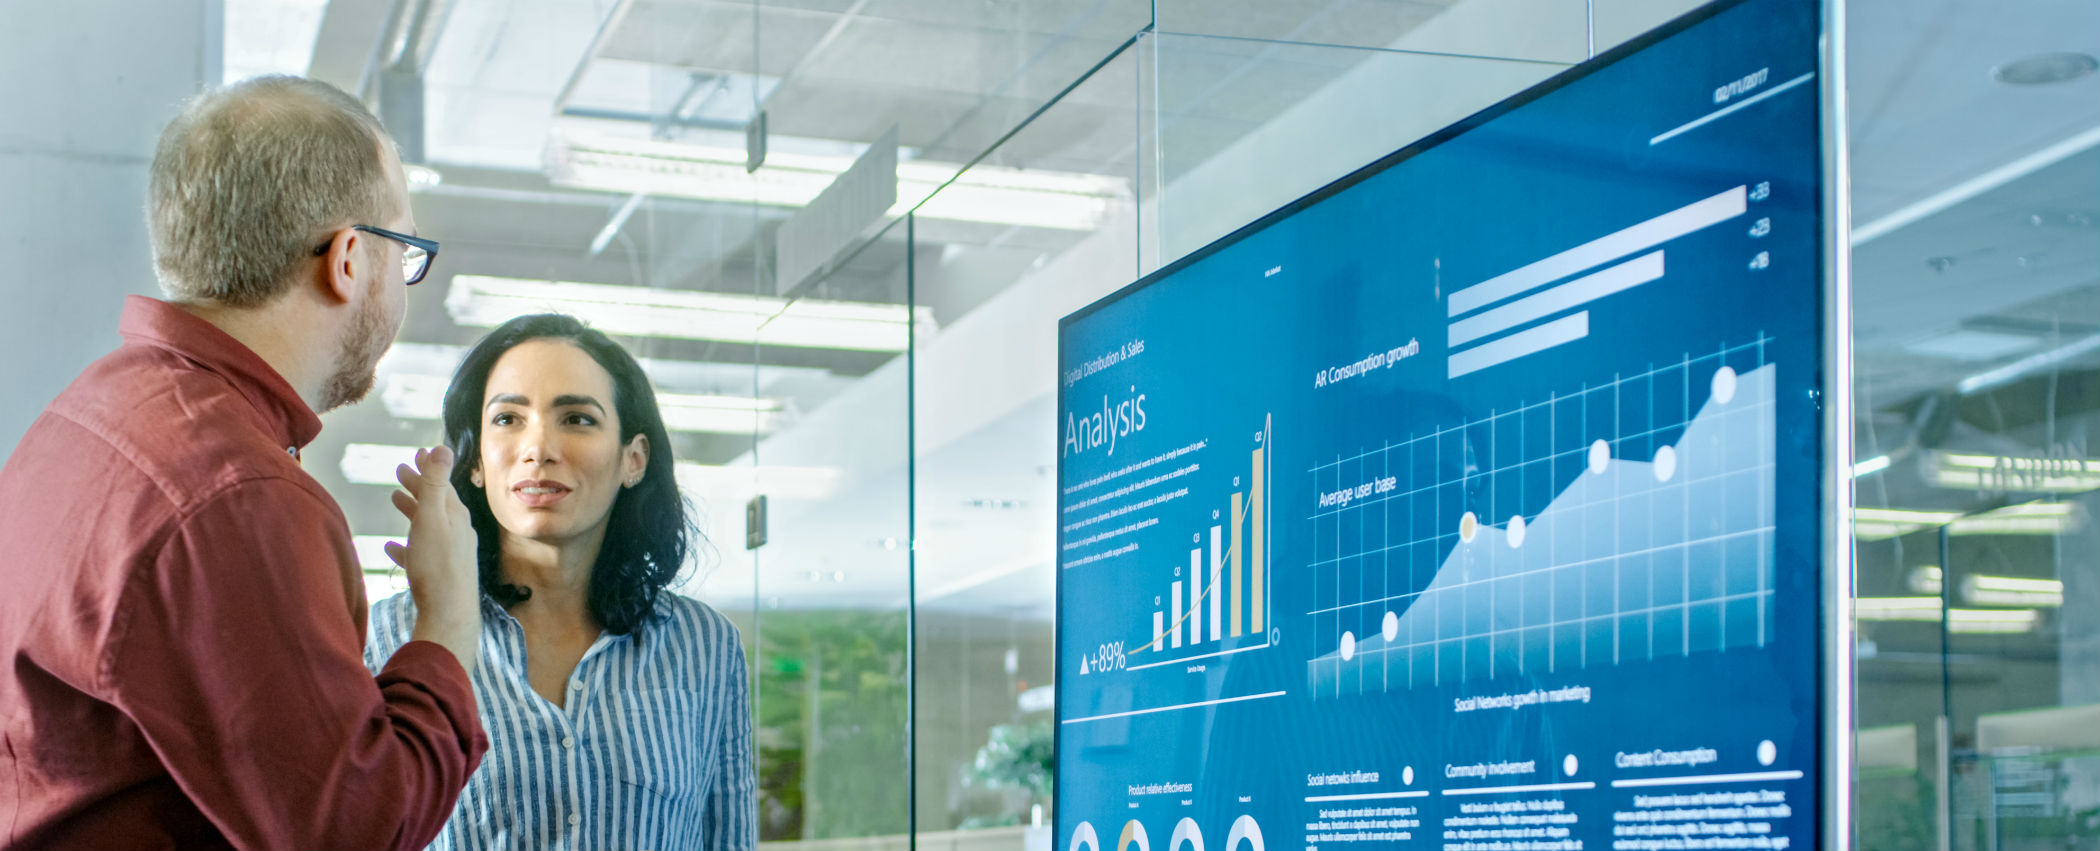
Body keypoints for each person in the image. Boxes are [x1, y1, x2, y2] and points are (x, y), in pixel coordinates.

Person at [0, 75, 487, 849]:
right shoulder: (237, 494)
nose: (404, 281)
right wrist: (449, 616)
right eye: (408, 252)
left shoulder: (93, 408)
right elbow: (359, 827)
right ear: (350, 259)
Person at [365, 313, 756, 850]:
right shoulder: (387, 638)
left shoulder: (704, 645)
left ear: (633, 459)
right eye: (507, 419)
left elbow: (728, 839)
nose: (539, 448)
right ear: (475, 460)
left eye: (577, 419)